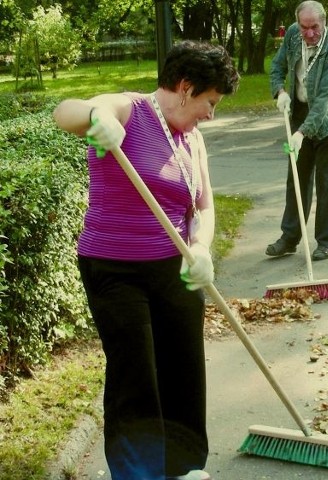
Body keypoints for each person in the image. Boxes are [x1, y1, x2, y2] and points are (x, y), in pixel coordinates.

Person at [53, 41, 240, 480]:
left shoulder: (193, 140)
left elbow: (205, 206)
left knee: (184, 368)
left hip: (173, 266)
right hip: (114, 268)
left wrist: (201, 249)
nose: (210, 114)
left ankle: (183, 467)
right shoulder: (130, 109)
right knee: (136, 373)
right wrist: (97, 118)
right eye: (209, 102)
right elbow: (68, 110)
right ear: (184, 87)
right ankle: (139, 474)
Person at [267, 0, 328, 261]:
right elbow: (278, 66)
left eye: (315, 27)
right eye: (305, 27)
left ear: (324, 23)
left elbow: (325, 98)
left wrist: (302, 133)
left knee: (327, 182)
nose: (310, 33)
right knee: (297, 180)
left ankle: (325, 241)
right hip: (299, 112)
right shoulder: (292, 34)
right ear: (297, 23)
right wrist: (279, 91)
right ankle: (290, 238)